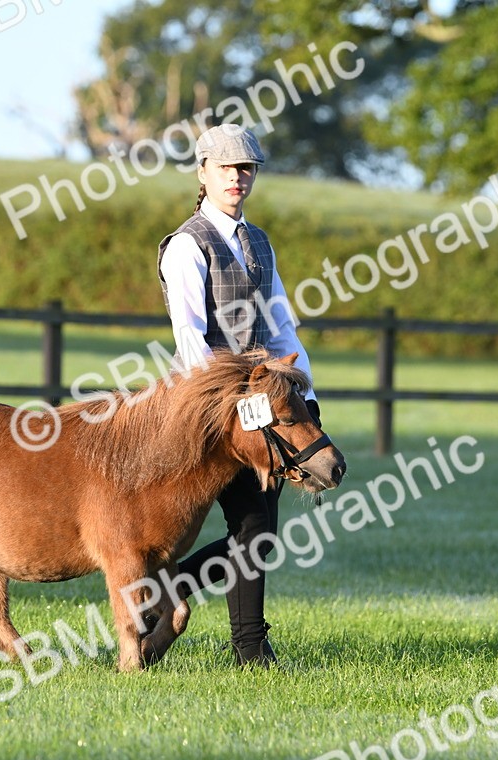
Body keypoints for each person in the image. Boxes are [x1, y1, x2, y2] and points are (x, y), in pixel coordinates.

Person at [156, 123, 320, 667]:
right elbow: (190, 337)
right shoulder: (187, 245)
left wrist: (304, 392)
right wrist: (231, 409)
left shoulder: (259, 242)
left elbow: (280, 327)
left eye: (245, 168)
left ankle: (243, 640)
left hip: (263, 403)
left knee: (258, 532)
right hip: (212, 409)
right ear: (202, 172)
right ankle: (247, 645)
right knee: (253, 529)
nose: (236, 177)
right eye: (225, 167)